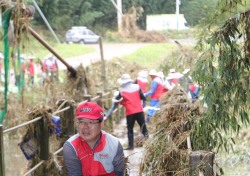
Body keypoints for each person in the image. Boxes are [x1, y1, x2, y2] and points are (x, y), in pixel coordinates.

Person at [63, 101, 126, 176]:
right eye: (81, 122)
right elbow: (74, 174)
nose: (85, 127)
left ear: (101, 124)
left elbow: (121, 173)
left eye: (91, 122)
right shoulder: (71, 146)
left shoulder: (114, 144)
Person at [105, 73, 148, 150]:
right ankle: (148, 143)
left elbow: (114, 105)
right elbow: (143, 97)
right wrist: (143, 105)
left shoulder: (121, 92)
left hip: (130, 113)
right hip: (139, 111)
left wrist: (106, 116)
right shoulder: (137, 87)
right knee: (143, 127)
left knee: (130, 129)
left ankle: (131, 146)